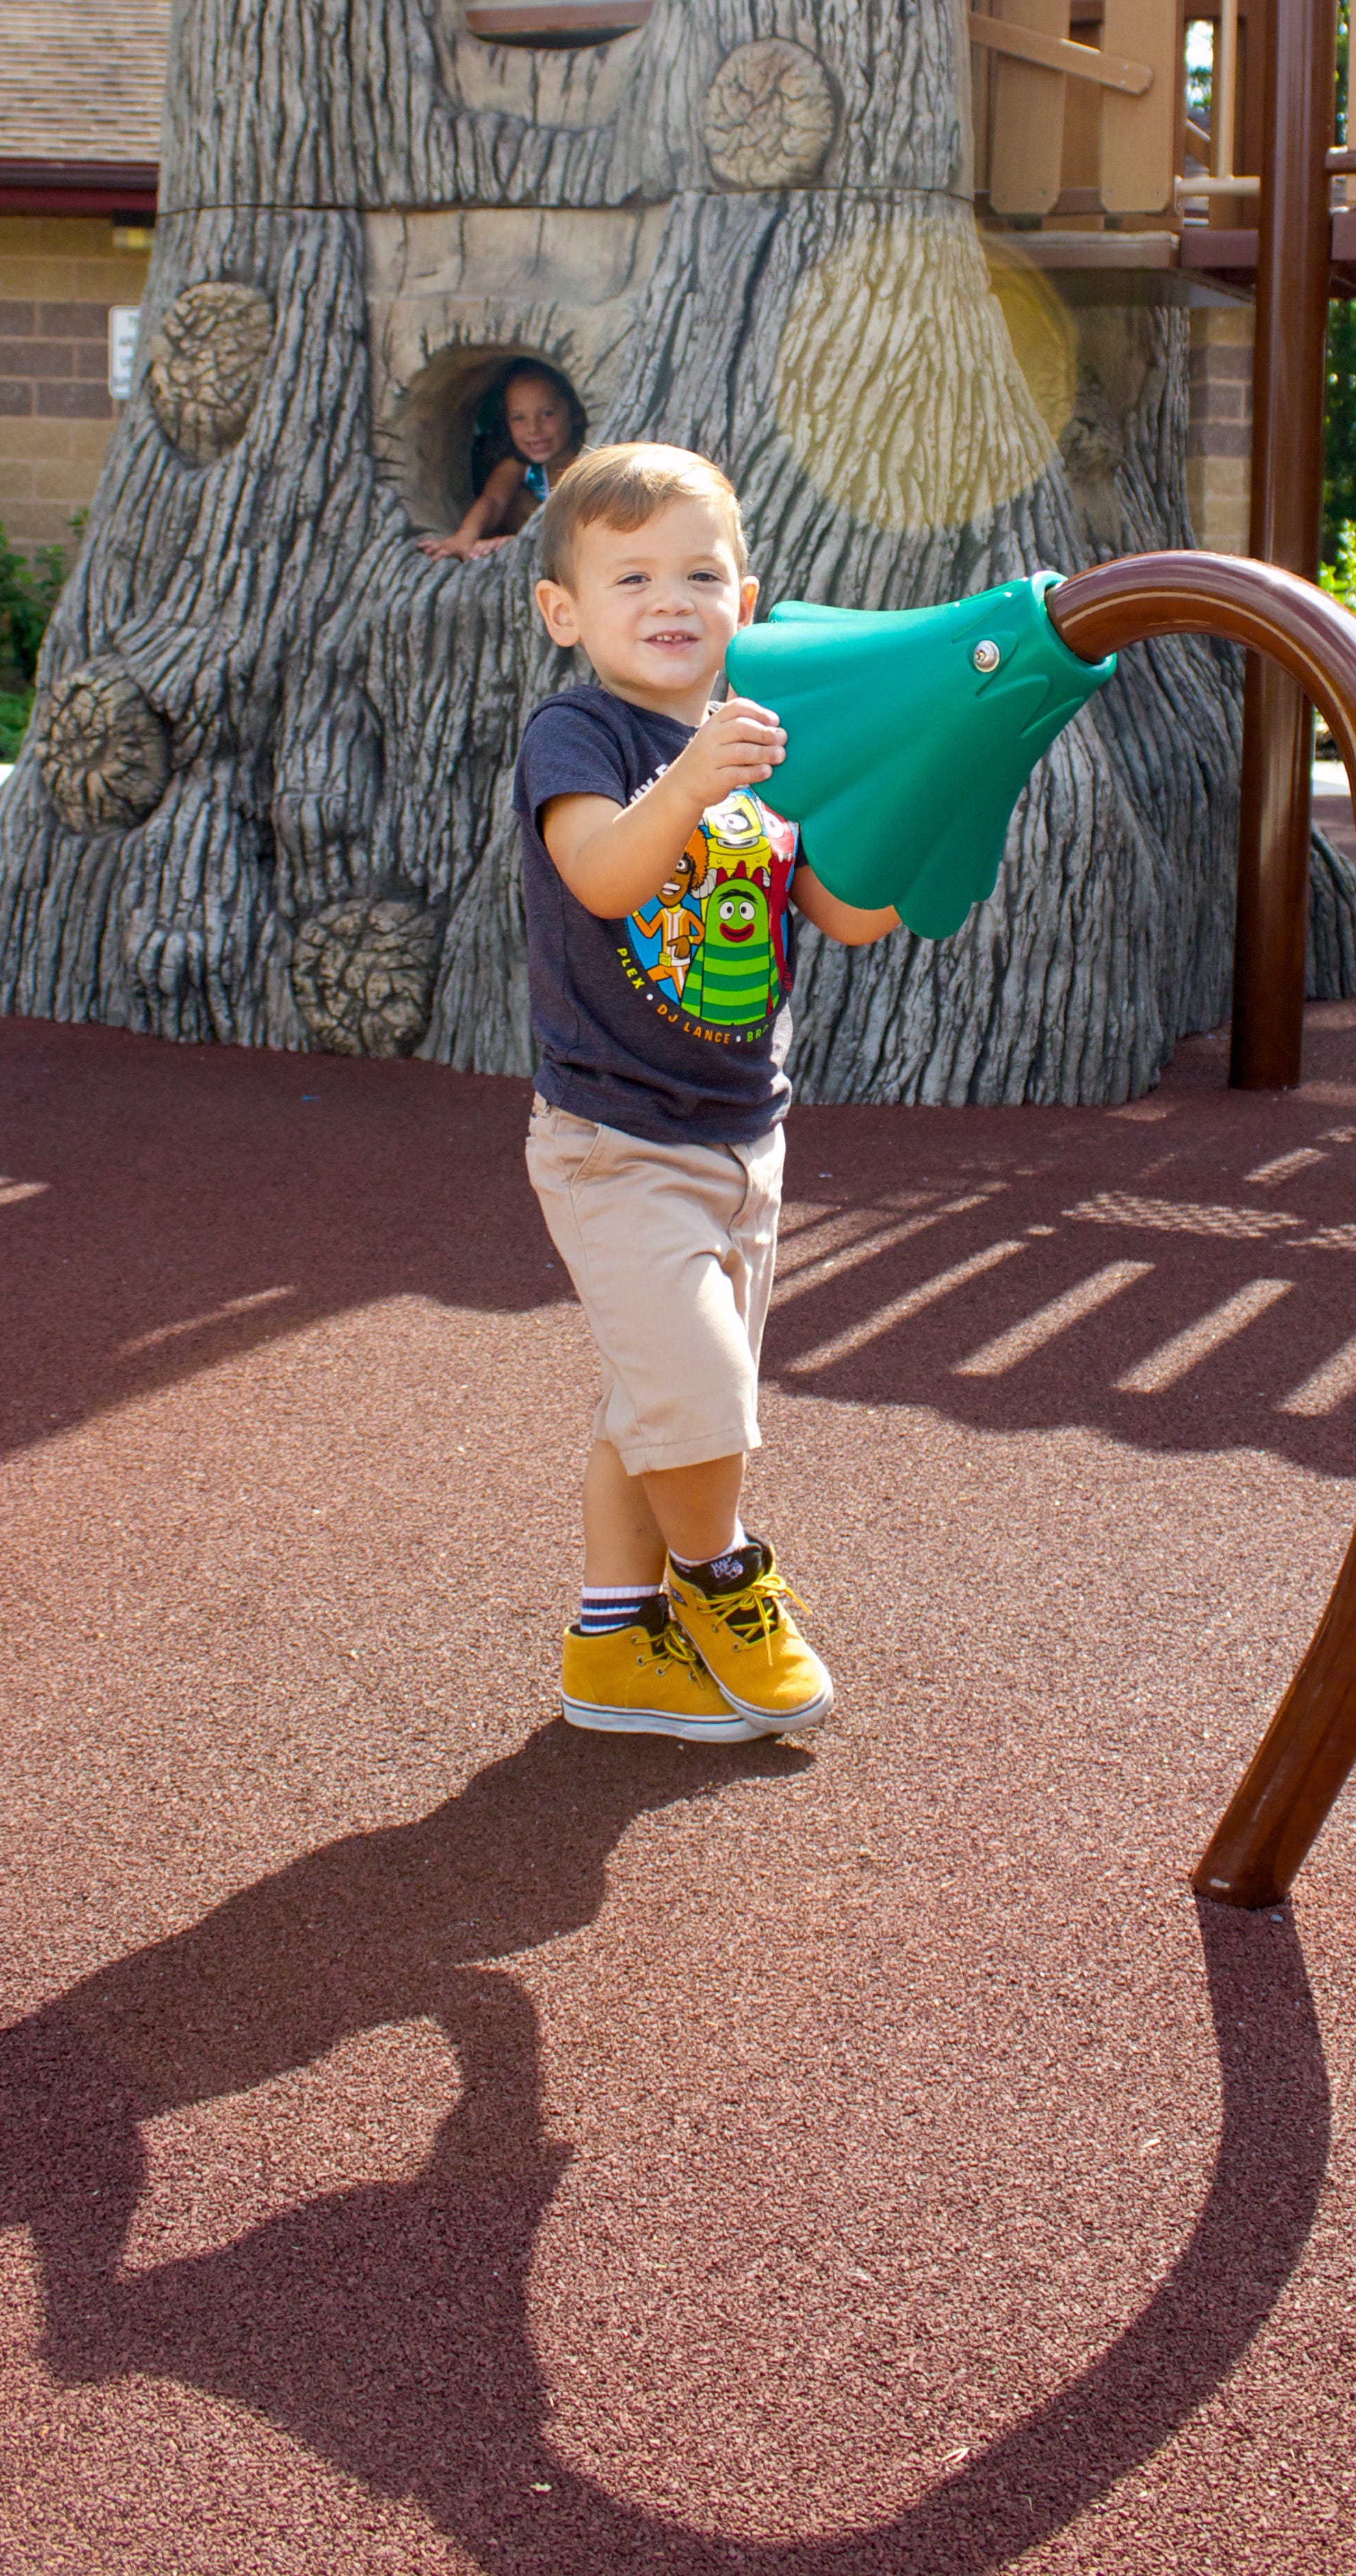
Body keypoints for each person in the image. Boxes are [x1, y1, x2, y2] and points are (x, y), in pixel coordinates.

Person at [516, 439, 901, 1742]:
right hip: (612, 1133)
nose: (669, 596)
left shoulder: (763, 743)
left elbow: (846, 911)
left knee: (655, 1400)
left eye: (700, 569)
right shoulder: (580, 730)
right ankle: (723, 1577)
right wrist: (692, 776)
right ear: (565, 611)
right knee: (699, 1391)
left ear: (746, 596)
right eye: (629, 574)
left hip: (746, 1133)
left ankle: (615, 1643)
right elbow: (608, 877)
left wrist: (928, 799)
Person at [423, 360, 585, 560]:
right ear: (506, 422)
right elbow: (493, 501)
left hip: (577, 546)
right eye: (519, 418)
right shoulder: (520, 464)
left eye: (547, 414)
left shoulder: (586, 460)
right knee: (519, 503)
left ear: (576, 413)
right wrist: (465, 538)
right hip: (529, 549)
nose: (533, 429)